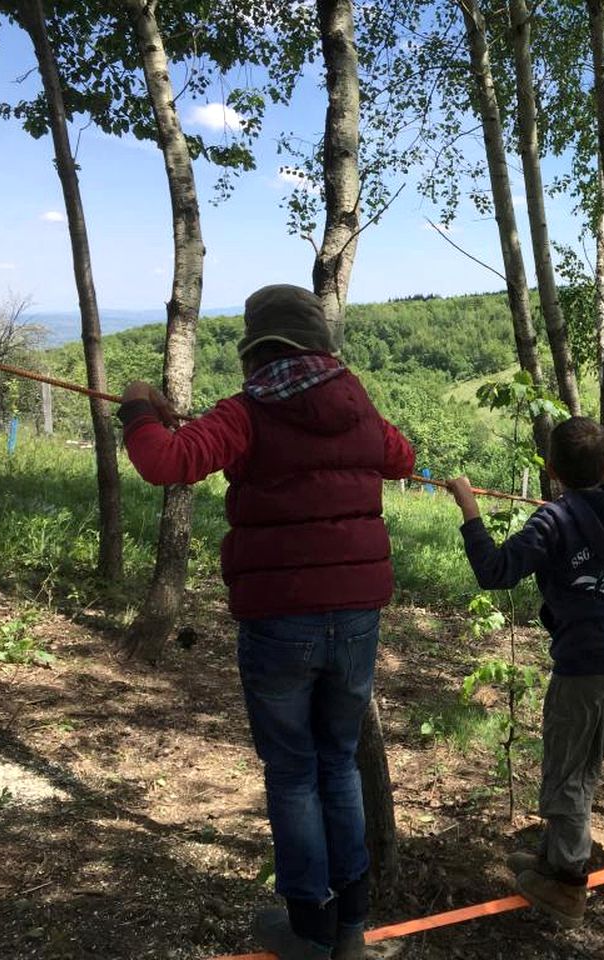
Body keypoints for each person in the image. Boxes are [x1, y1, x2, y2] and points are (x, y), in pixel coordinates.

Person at [117, 284, 417, 960]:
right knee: (337, 761)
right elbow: (401, 458)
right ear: (319, 344)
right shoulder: (356, 401)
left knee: (291, 771)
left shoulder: (246, 412)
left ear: (257, 348)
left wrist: (139, 404)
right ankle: (351, 929)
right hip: (357, 616)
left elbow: (162, 461)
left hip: (281, 618)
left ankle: (308, 928)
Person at [444, 416, 604, 927]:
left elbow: (494, 572)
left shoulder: (554, 521)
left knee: (568, 769)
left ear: (552, 472)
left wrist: (469, 507)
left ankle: (565, 886)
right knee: (582, 763)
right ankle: (553, 857)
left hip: (587, 663)